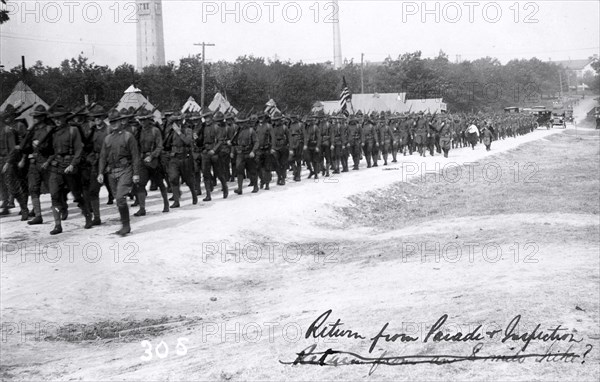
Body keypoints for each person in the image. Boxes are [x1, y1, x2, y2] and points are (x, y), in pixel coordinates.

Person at [46, 105, 91, 235]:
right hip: (56, 166)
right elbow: (50, 150)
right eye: (55, 118)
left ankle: (87, 215)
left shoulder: (73, 130)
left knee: (76, 195)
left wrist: (73, 164)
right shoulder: (53, 133)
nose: (57, 120)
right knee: (54, 195)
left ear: (65, 118)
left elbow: (79, 149)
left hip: (69, 165)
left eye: (59, 118)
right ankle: (57, 225)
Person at [98, 109, 141, 236]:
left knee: (120, 198)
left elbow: (135, 156)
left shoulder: (128, 136)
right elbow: (102, 157)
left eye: (116, 121)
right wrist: (100, 172)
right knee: (118, 200)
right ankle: (124, 225)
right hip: (112, 172)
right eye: (112, 122)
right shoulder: (107, 139)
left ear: (121, 121)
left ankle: (126, 226)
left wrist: (136, 173)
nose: (114, 124)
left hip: (125, 170)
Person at [135, 109, 170, 215]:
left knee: (160, 183)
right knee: (140, 184)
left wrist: (152, 156)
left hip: (154, 161)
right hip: (142, 160)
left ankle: (166, 204)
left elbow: (160, 146)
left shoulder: (155, 130)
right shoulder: (139, 131)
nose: (142, 122)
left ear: (148, 120)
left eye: (144, 120)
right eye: (140, 120)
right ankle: (142, 208)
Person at [166, 111, 198, 207]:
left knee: (188, 179)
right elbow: (166, 144)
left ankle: (194, 194)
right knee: (173, 178)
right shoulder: (171, 132)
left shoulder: (187, 130)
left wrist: (179, 132)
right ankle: (176, 201)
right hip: (174, 158)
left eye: (178, 121)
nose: (176, 123)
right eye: (174, 122)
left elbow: (188, 141)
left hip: (185, 158)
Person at [201, 111, 229, 201]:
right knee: (206, 174)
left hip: (215, 153)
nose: (206, 120)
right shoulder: (203, 127)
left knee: (219, 172)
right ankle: (208, 195)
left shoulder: (216, 127)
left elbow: (220, 141)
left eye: (208, 118)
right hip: (205, 152)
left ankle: (225, 188)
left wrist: (214, 150)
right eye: (205, 118)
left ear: (211, 117)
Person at [232, 113, 259, 194]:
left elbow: (256, 142)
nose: (241, 124)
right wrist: (232, 150)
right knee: (239, 170)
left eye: (242, 122)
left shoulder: (251, 130)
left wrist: (253, 151)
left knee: (252, 170)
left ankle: (255, 186)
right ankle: (240, 188)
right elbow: (234, 142)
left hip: (249, 152)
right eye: (239, 123)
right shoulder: (237, 131)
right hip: (240, 153)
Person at [270, 111, 289, 185]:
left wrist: (287, 144)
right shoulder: (272, 128)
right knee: (276, 163)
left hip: (283, 147)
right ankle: (279, 176)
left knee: (283, 163)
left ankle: (283, 178)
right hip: (275, 147)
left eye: (278, 120)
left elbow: (289, 137)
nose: (276, 121)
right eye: (275, 120)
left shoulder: (284, 127)